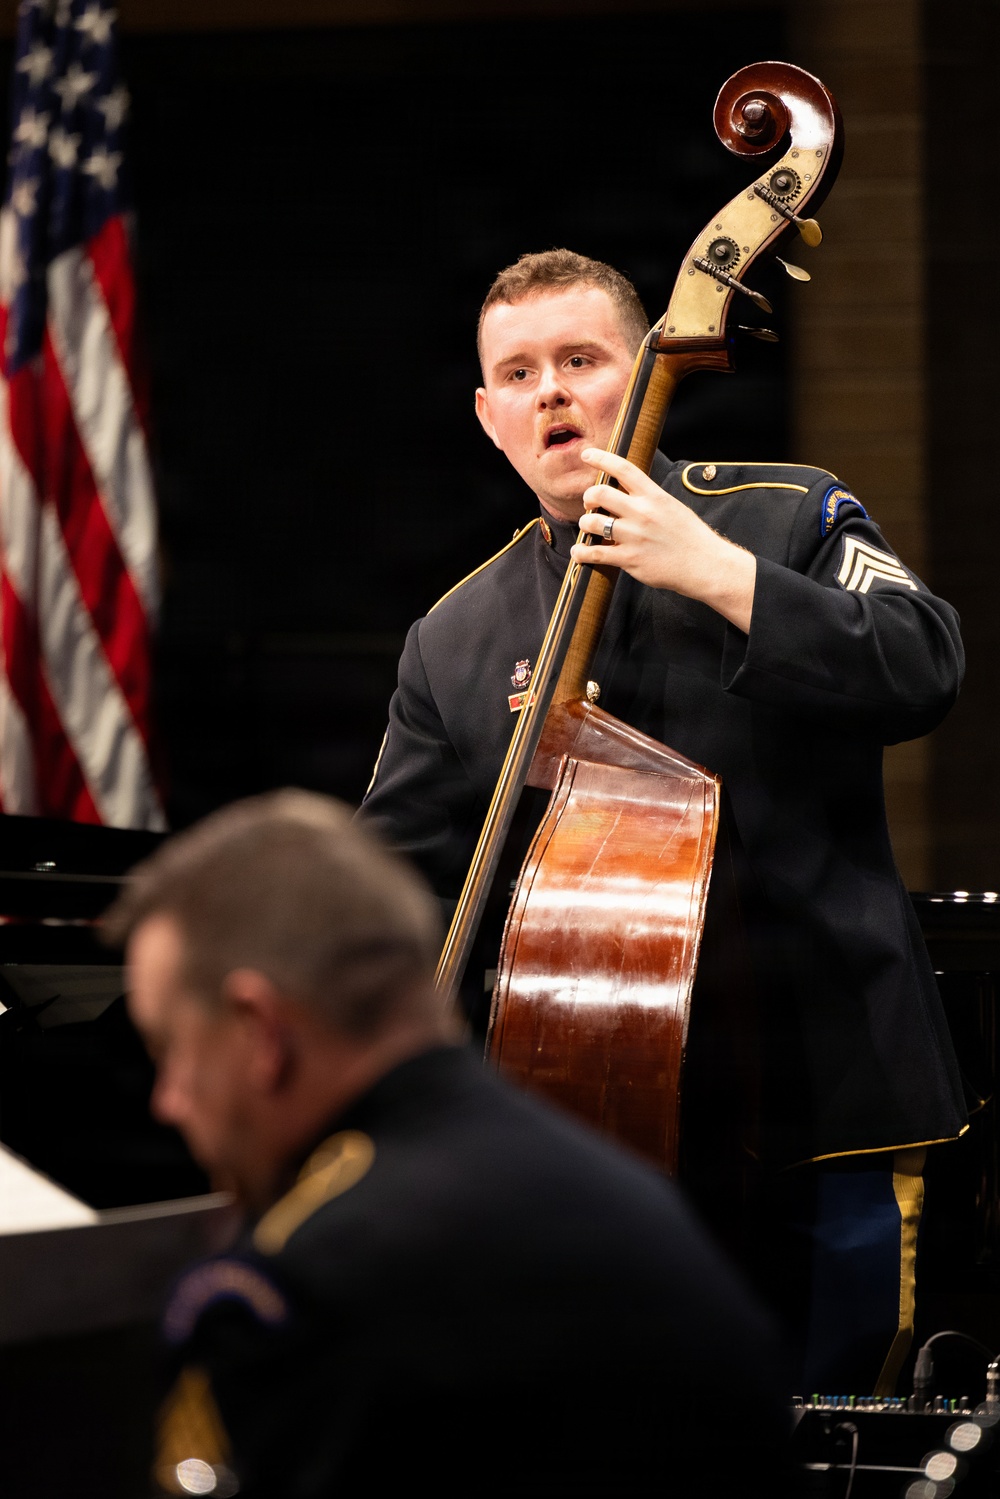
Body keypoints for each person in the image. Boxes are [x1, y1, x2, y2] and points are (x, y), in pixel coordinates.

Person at [360, 248, 969, 1395]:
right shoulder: (453, 636)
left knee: (838, 1432)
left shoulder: (783, 514)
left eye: (580, 360)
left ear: (645, 368)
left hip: (826, 1099)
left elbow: (924, 662)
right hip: (593, 1145)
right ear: (489, 417)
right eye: (519, 373)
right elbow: (398, 890)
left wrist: (718, 574)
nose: (551, 391)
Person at [108, 790, 788, 1498]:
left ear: (262, 1031)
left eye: (169, 1048)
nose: (168, 1100)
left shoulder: (297, 1286)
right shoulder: (631, 1200)